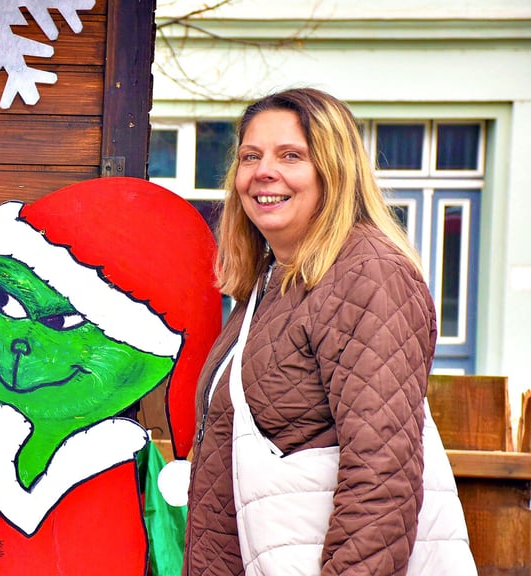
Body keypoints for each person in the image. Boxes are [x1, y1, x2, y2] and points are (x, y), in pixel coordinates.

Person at [183, 88, 437, 575]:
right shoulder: (273, 281)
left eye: (291, 156)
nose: (263, 173)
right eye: (250, 157)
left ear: (334, 172)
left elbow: (381, 476)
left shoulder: (366, 275)